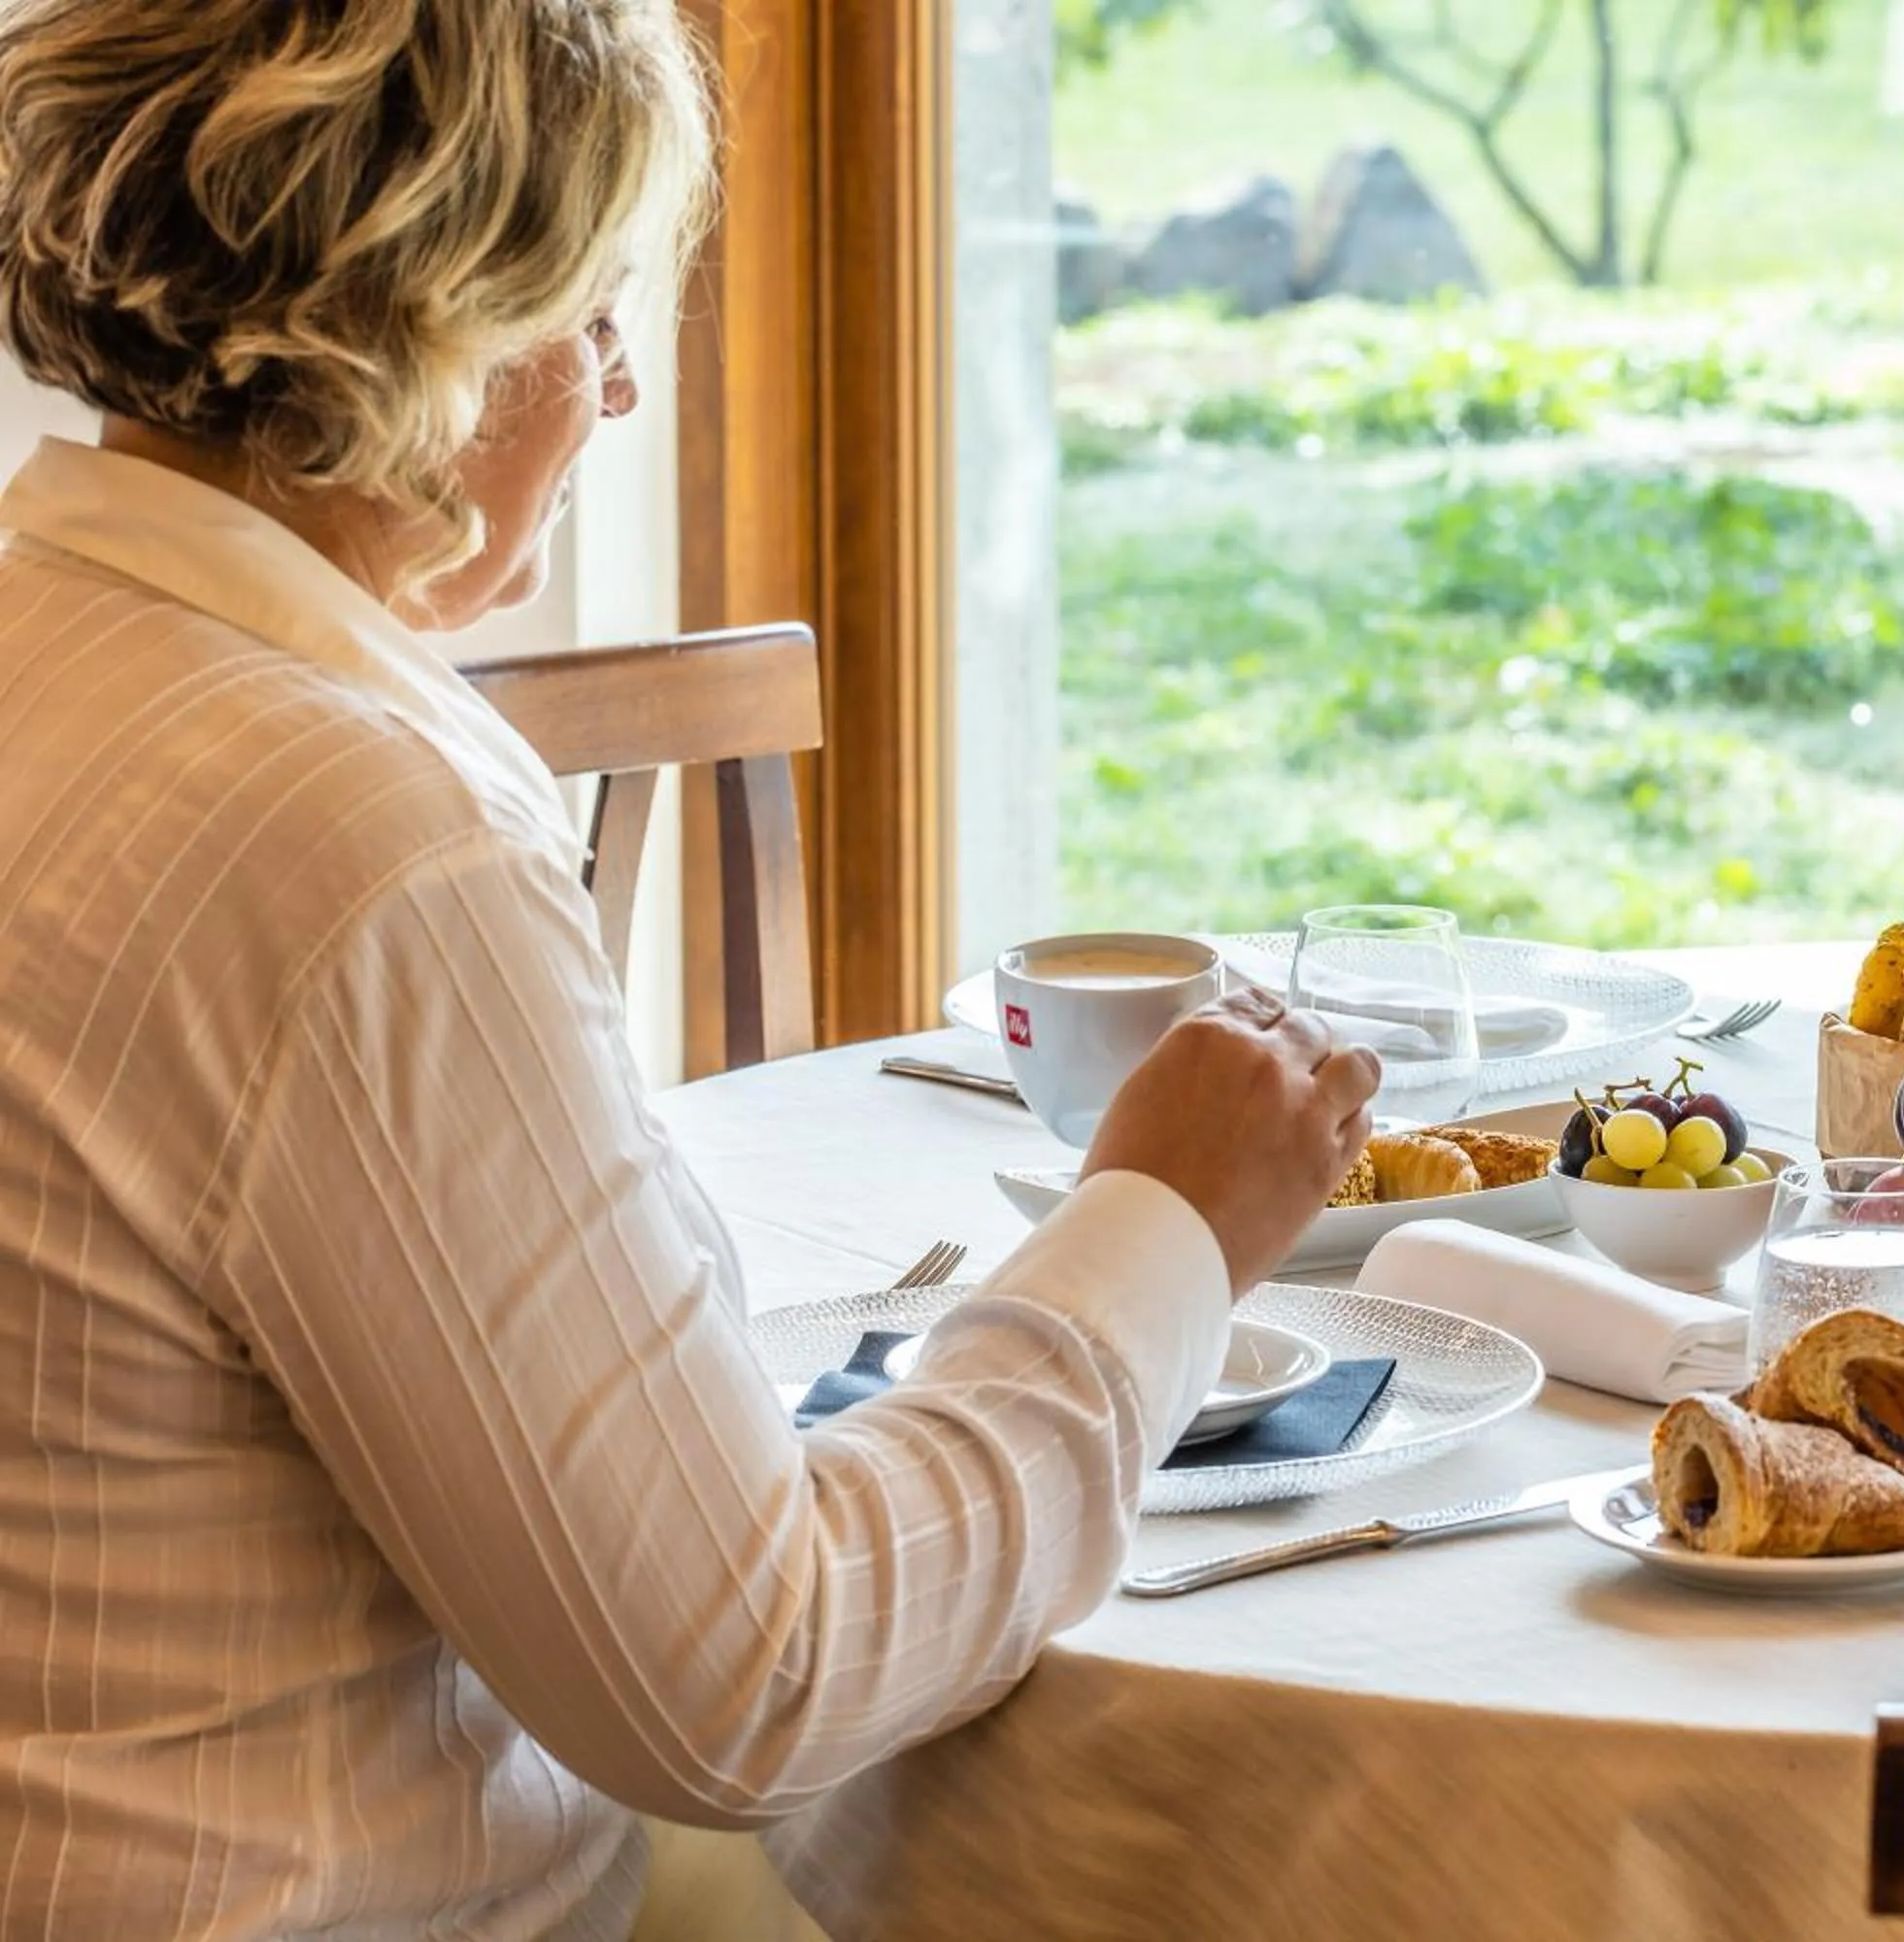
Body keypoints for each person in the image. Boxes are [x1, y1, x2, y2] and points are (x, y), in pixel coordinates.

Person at [0, 2, 1380, 1934]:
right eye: (590, 315)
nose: (623, 395)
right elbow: (751, 1680)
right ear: (426, 316)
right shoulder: (354, 839)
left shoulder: (51, 640)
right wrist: (1163, 1222)